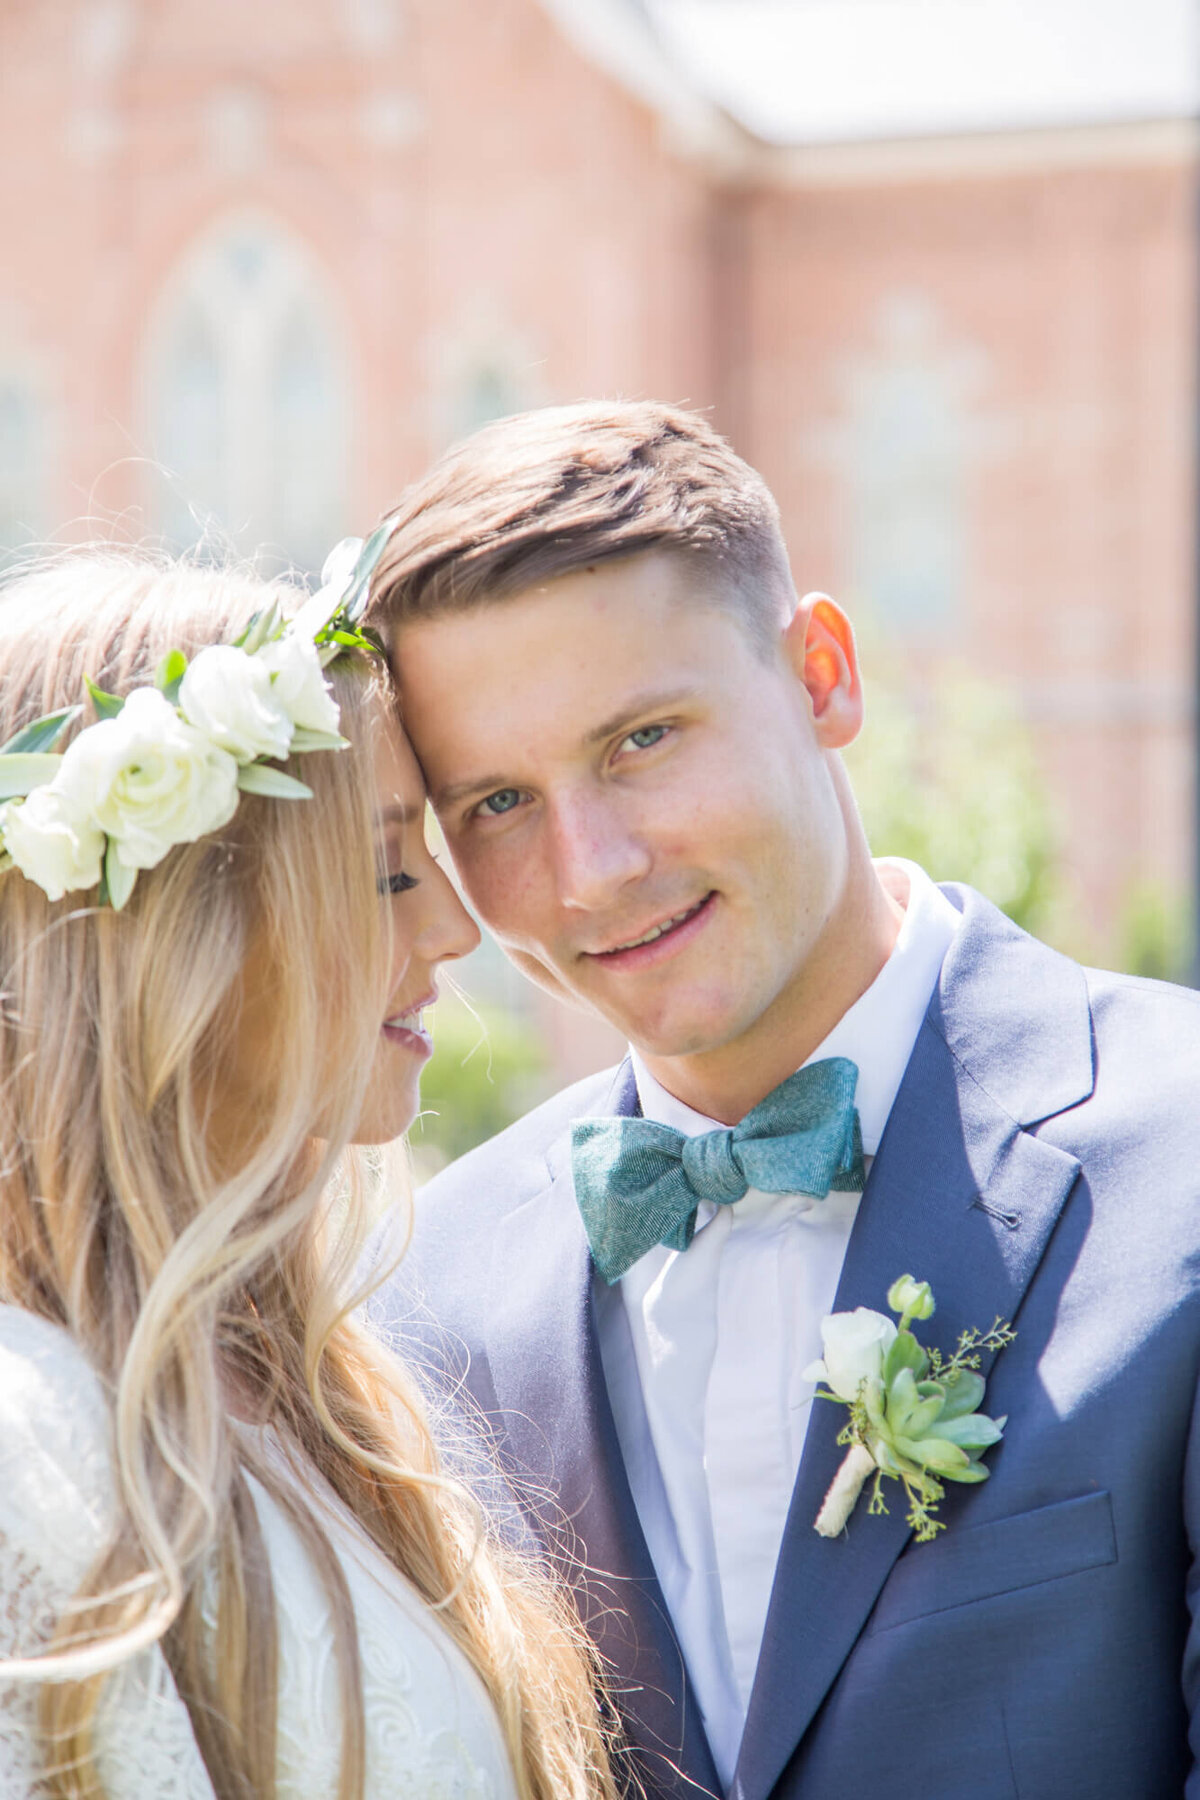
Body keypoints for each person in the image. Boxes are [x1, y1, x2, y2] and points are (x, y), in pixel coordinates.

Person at [368, 400, 1200, 1800]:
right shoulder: (421, 1305)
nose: (591, 871)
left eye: (641, 740)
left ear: (822, 674)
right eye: (497, 805)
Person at [0, 548, 618, 1800]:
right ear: (172, 925)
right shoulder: (31, 1445)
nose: (457, 927)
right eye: (387, 870)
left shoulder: (339, 1397)